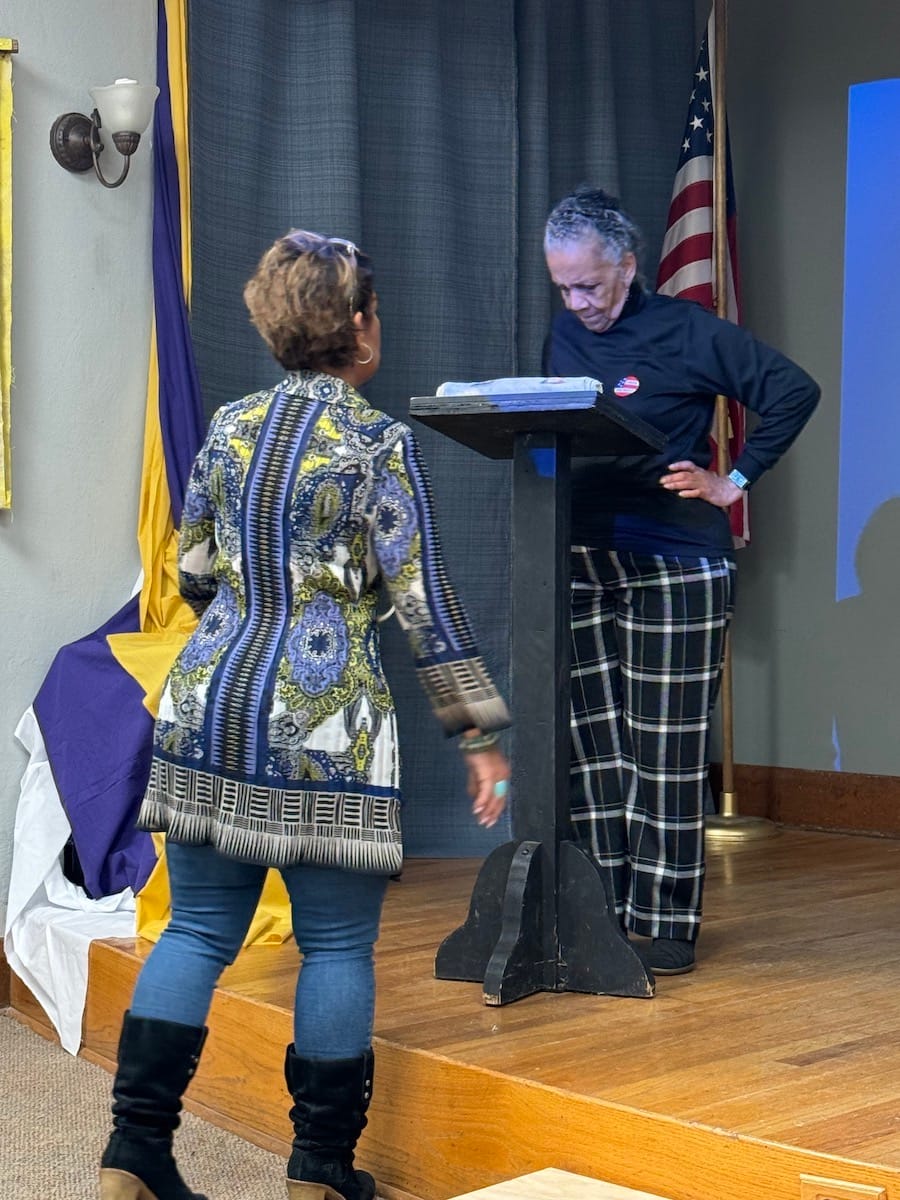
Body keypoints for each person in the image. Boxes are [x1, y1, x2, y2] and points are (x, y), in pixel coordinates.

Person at [98, 229, 511, 1200]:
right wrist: (480, 738)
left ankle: (132, 1160)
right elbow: (424, 599)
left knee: (196, 933)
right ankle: (318, 1177)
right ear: (357, 325)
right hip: (329, 722)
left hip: (205, 705)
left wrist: (240, 631)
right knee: (334, 947)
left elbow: (192, 569)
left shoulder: (231, 428)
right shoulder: (377, 444)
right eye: (374, 308)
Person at [542, 186, 819, 978]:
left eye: (590, 284)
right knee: (596, 750)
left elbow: (793, 392)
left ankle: (665, 923)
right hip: (580, 553)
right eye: (563, 286)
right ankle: (598, 909)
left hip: (675, 556)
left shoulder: (688, 331)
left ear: (628, 266)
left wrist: (733, 481)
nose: (577, 301)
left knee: (662, 746)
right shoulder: (563, 332)